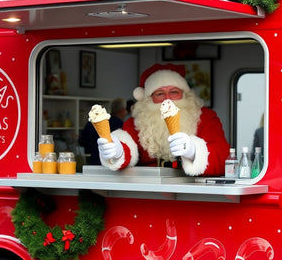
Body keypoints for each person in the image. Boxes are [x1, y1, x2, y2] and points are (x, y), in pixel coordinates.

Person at [97, 63, 229, 176]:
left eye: (174, 92)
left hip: (193, 190)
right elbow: (127, 146)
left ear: (184, 94)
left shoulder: (205, 117)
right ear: (149, 98)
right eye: (160, 94)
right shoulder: (137, 122)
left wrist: (193, 151)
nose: (167, 99)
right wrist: (117, 151)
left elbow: (223, 158)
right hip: (149, 191)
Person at [80, 98, 127, 164]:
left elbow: (81, 142)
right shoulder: (121, 125)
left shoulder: (92, 122)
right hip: (112, 164)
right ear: (122, 110)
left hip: (93, 162)